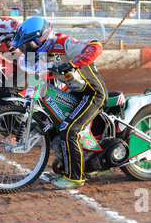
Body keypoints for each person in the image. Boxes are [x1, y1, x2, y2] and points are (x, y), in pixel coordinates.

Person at [9, 16, 107, 189]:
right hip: (75, 94)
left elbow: (96, 46)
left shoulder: (64, 43)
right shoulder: (39, 53)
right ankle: (69, 161)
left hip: (93, 94)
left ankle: (75, 177)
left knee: (69, 129)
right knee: (53, 122)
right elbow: (32, 70)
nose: (26, 50)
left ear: (41, 39)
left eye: (28, 46)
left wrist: (73, 63)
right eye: (24, 47)